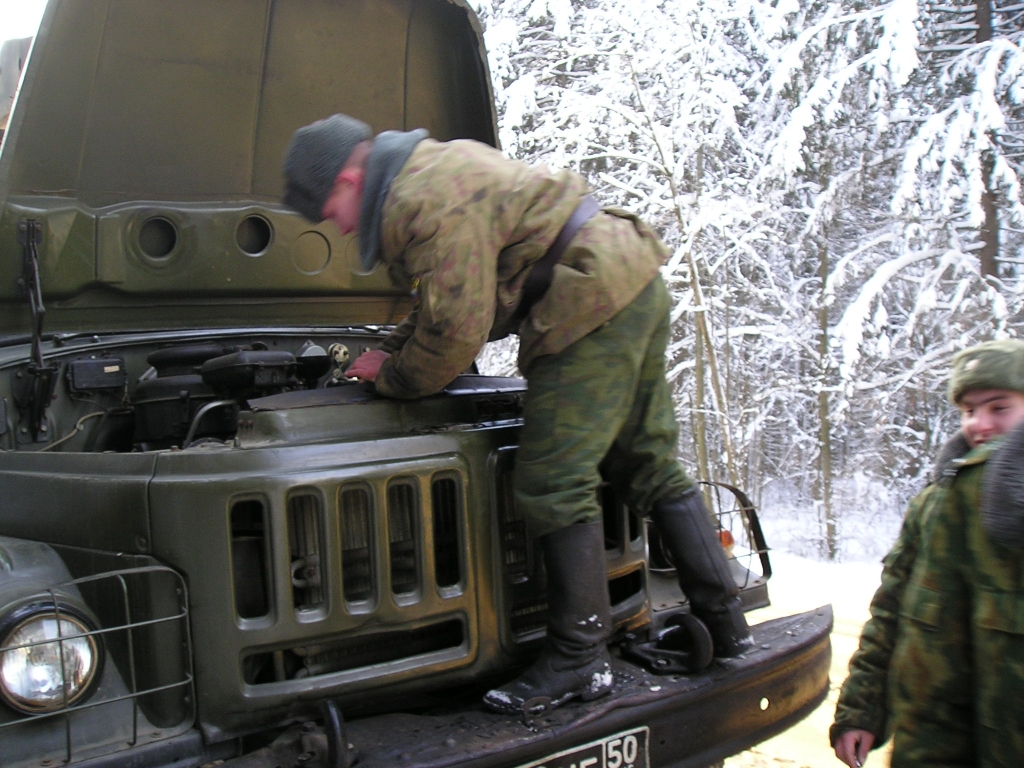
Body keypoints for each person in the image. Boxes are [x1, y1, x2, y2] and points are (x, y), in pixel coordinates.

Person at [281, 114, 753, 715]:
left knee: (554, 480)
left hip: (585, 298)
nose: (339, 227)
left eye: (331, 211)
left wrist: (393, 379)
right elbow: (449, 298)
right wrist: (391, 352)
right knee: (647, 463)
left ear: (349, 180)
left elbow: (456, 332)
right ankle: (725, 623)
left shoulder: (415, 200)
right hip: (629, 277)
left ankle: (580, 658)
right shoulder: (429, 169)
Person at [831, 339, 1024, 767]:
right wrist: (862, 709)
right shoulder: (935, 504)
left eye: (1000, 407)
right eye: (969, 411)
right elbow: (891, 614)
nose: (980, 424)